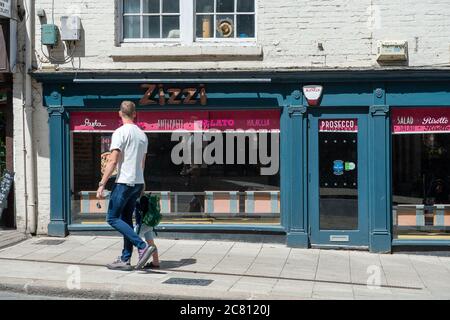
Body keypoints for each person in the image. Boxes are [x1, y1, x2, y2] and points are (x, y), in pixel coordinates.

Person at [96, 100, 155, 271]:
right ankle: (125, 259)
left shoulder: (120, 132)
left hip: (124, 183)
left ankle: (142, 247)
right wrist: (142, 184)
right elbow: (142, 164)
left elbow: (112, 160)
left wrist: (102, 184)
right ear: (135, 114)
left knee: (112, 218)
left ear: (119, 113)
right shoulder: (143, 135)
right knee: (126, 220)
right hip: (137, 183)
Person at [134, 197, 160, 269]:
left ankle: (140, 260)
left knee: (132, 239)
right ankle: (156, 262)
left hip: (141, 225)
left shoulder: (138, 199)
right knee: (151, 243)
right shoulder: (147, 198)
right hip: (149, 224)